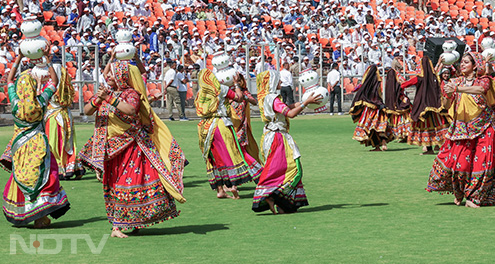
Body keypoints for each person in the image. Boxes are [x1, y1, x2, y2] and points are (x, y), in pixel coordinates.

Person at [81, 59, 186, 238]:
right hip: (113, 149)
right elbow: (87, 110)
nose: (107, 76)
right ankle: (117, 226)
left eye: (112, 73)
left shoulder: (131, 93)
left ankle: (134, 221)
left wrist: (109, 99)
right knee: (116, 185)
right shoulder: (107, 92)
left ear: (122, 76)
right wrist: (99, 99)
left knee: (131, 182)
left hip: (132, 146)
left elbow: (130, 110)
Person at [426, 52, 495, 208]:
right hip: (461, 129)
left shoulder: (483, 80)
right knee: (460, 163)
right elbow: (445, 106)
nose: (462, 64)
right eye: (462, 62)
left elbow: (480, 90)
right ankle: (460, 192)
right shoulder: (455, 81)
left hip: (485, 127)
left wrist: (458, 89)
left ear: (475, 65)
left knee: (483, 164)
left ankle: (475, 198)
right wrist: (448, 93)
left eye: (466, 62)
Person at [1, 49, 70, 227]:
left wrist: (19, 58)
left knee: (22, 175)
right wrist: (47, 60)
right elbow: (55, 82)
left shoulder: (15, 103)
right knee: (44, 174)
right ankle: (40, 214)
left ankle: (23, 212)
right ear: (33, 87)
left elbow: (9, 80)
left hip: (20, 145)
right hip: (38, 142)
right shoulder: (40, 102)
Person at [252, 70, 320, 214]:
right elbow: (290, 114)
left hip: (271, 136)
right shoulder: (273, 98)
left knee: (278, 169)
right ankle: (273, 197)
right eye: (277, 80)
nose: (280, 82)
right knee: (294, 169)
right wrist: (306, 103)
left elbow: (286, 109)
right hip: (278, 138)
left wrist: (303, 103)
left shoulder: (265, 98)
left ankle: (280, 202)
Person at [194, 68, 262, 199]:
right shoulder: (220, 89)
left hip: (205, 127)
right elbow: (239, 97)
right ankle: (244, 182)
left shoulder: (200, 93)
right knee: (232, 153)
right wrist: (236, 84)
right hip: (220, 124)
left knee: (215, 157)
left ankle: (221, 190)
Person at [44, 63, 85, 180]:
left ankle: (59, 168)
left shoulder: (51, 86)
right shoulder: (66, 86)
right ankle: (72, 166)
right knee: (68, 140)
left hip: (53, 116)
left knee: (55, 142)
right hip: (65, 115)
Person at [402, 56, 448, 154]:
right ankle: (440, 147)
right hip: (434, 106)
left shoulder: (419, 79)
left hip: (422, 107)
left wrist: (398, 84)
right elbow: (434, 71)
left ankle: (429, 149)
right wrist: (439, 62)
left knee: (426, 127)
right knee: (438, 125)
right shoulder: (433, 77)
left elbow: (405, 85)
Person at [349, 65, 392, 151]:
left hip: (369, 109)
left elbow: (358, 90)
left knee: (370, 127)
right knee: (380, 126)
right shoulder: (377, 82)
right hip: (378, 107)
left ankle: (377, 146)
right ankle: (383, 141)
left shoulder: (366, 83)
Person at [384, 67, 412, 142]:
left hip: (399, 102)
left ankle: (406, 135)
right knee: (401, 119)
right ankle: (403, 135)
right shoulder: (391, 83)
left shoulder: (393, 80)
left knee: (404, 119)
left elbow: (404, 83)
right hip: (398, 102)